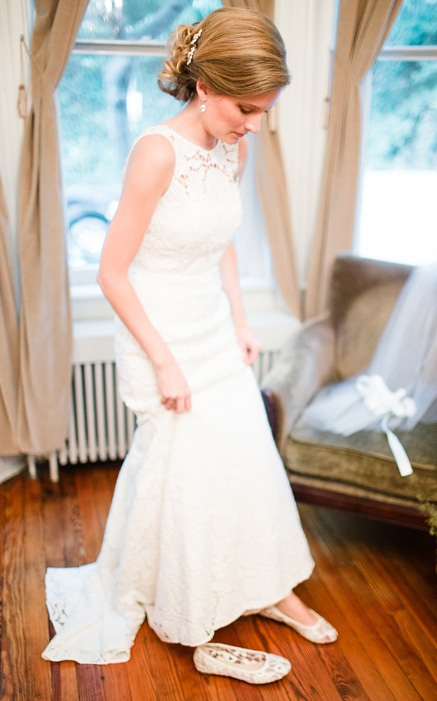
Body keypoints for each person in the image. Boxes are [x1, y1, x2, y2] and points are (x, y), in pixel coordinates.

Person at [42, 7, 337, 684]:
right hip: (157, 330)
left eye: (264, 110)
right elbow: (111, 272)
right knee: (182, 473)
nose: (255, 123)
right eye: (246, 107)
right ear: (204, 87)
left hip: (208, 323)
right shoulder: (155, 151)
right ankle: (191, 600)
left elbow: (223, 236)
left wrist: (237, 318)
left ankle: (268, 585)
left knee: (244, 457)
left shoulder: (231, 141)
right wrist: (165, 360)